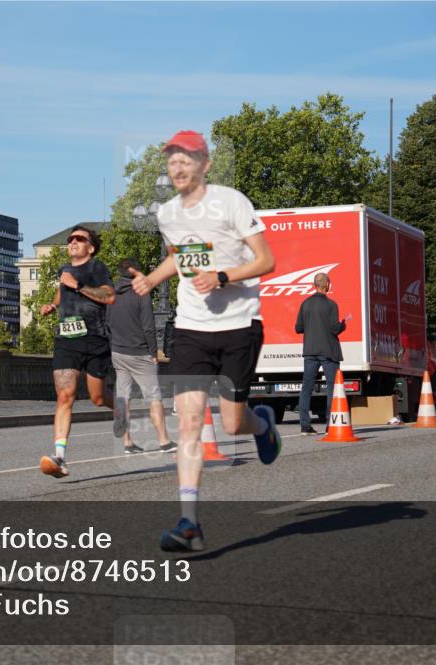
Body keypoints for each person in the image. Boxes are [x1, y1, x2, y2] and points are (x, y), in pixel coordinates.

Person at [129, 129, 282, 552]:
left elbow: (267, 260)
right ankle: (189, 523)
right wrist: (151, 280)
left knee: (232, 424)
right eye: (172, 160)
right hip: (192, 329)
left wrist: (222, 277)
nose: (177, 167)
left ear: (206, 165)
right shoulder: (168, 213)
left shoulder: (232, 202)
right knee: (190, 422)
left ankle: (262, 424)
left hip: (239, 325)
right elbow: (180, 255)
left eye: (186, 159)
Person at [39, 225, 118, 478]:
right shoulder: (64, 269)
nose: (72, 241)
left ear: (90, 248)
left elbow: (109, 296)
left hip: (95, 339)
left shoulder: (97, 268)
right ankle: (59, 457)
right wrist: (53, 305)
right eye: (70, 238)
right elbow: (62, 291)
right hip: (67, 339)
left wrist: (78, 285)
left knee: (98, 398)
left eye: (79, 239)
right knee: (65, 396)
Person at [106, 257, 176, 454]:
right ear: (135, 272)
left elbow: (107, 322)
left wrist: (114, 344)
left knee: (123, 397)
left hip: (118, 351)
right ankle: (164, 441)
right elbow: (148, 326)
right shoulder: (141, 293)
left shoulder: (111, 293)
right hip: (140, 352)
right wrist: (153, 352)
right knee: (154, 397)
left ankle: (127, 442)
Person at [294, 272, 345, 434]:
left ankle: (305, 426)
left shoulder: (305, 303)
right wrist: (343, 325)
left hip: (310, 351)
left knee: (306, 388)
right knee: (332, 388)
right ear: (327, 285)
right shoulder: (331, 305)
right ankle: (331, 424)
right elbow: (334, 329)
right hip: (328, 351)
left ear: (314, 285)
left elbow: (298, 328)